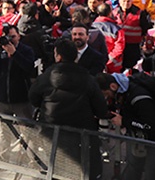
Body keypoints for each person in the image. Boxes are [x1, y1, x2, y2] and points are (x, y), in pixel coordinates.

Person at [29, 39, 110, 180]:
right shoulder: (88, 78)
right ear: (75, 57)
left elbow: (33, 98)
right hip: (81, 135)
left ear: (58, 56)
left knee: (56, 169)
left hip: (52, 132)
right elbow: (100, 108)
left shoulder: (45, 77)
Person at [96, 72, 155, 180]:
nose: (107, 98)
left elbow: (151, 126)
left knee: (151, 174)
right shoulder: (126, 90)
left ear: (113, 86)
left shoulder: (140, 98)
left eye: (107, 94)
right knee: (133, 168)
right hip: (139, 138)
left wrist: (124, 122)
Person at [0, 25, 36, 160]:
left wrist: (15, 53)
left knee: (27, 130)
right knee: (4, 130)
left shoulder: (26, 50)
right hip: (2, 98)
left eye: (13, 37)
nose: (10, 40)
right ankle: (4, 155)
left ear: (19, 36)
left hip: (21, 99)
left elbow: (29, 67)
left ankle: (31, 158)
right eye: (7, 37)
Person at [113, 0, 151, 70]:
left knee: (132, 67)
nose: (126, 3)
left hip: (133, 46)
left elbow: (145, 28)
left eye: (128, 1)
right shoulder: (114, 12)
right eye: (123, 1)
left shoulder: (139, 13)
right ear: (120, 2)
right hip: (119, 44)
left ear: (132, 2)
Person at [91, 3, 126, 73]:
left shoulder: (91, 27)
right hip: (113, 65)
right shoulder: (117, 29)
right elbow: (119, 48)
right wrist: (109, 60)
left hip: (95, 63)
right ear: (110, 13)